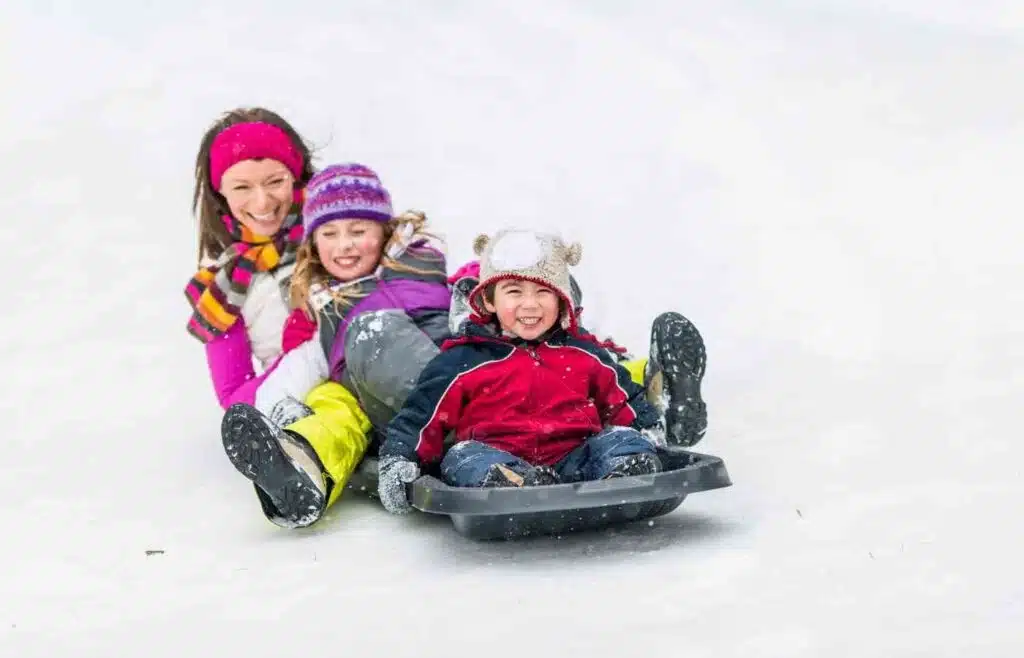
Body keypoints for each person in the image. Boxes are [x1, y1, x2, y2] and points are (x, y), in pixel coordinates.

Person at [218, 163, 452, 527]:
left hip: (460, 377)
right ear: (313, 244)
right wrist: (278, 410)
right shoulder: (323, 312)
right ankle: (300, 466)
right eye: (329, 233)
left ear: (385, 231)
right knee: (332, 402)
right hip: (391, 413)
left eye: (359, 231)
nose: (344, 245)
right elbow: (295, 370)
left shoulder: (424, 265)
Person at [376, 229, 667, 514]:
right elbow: (421, 417)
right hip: (495, 457)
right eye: (514, 291)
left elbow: (624, 399)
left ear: (562, 299)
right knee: (461, 457)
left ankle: (626, 473)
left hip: (576, 460)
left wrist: (648, 432)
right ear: (489, 300)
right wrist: (399, 459)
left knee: (619, 440)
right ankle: (513, 486)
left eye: (544, 291)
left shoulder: (584, 352)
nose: (530, 304)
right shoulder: (463, 359)